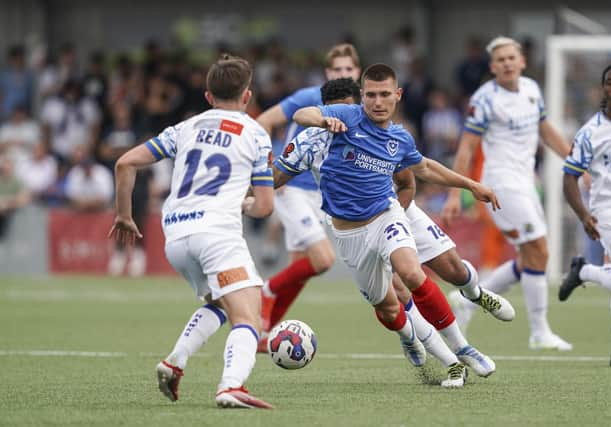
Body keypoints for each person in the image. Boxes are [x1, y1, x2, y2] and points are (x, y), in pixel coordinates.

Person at [276, 77, 515, 379]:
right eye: (337, 115)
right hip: (349, 230)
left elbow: (411, 179)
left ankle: (471, 314)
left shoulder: (385, 132)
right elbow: (286, 150)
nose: (346, 120)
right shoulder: (311, 141)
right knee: (390, 306)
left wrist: (393, 220)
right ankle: (415, 340)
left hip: (394, 209)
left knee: (428, 271)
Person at [108, 54, 275, 408]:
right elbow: (264, 206)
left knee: (218, 302)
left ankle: (174, 362)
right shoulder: (256, 134)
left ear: (208, 96)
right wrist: (243, 204)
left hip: (177, 236)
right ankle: (231, 386)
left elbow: (125, 163)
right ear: (247, 96)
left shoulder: (185, 128)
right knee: (249, 316)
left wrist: (124, 215)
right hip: (216, 233)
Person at [441, 36, 573, 351]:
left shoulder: (531, 90)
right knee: (539, 250)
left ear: (522, 61)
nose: (507, 63)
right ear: (493, 67)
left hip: (527, 182)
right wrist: (455, 194)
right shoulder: (485, 99)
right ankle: (539, 332)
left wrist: (575, 163)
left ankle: (467, 300)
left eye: (511, 58)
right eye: (500, 60)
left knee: (531, 255)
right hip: (501, 184)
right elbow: (467, 147)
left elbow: (545, 130)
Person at [255, 44, 361, 346]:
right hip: (293, 188)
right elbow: (264, 121)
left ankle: (265, 334)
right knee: (324, 259)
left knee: (301, 269)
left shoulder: (359, 104)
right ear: (328, 73)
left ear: (358, 71)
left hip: (325, 195)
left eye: (348, 69)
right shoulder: (308, 98)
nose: (343, 74)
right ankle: (267, 289)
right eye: (337, 69)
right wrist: (273, 163)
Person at [561, 63, 611, 367]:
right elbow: (569, 178)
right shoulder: (590, 132)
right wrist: (584, 214)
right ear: (604, 89)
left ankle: (584, 273)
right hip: (610, 210)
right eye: (610, 83)